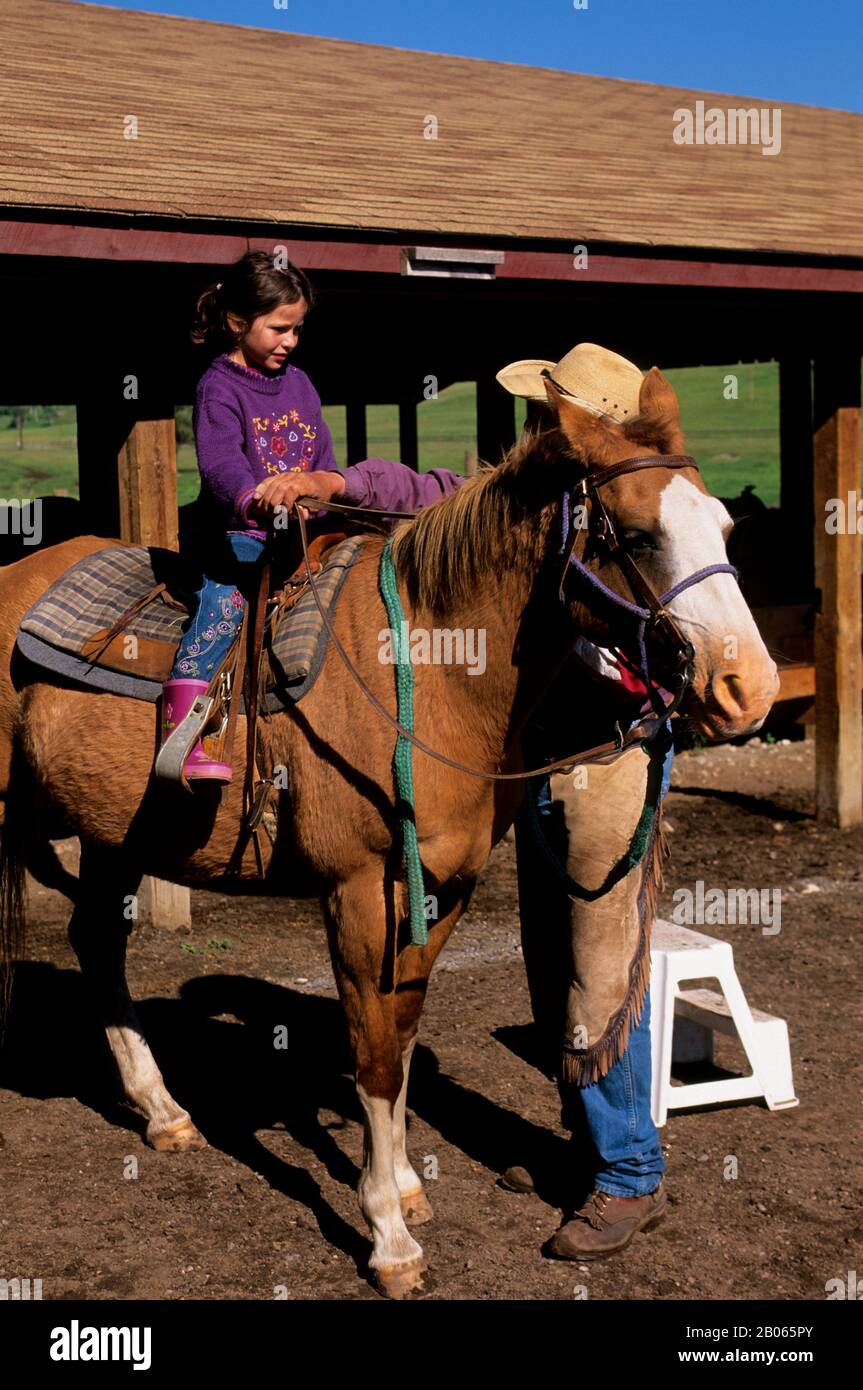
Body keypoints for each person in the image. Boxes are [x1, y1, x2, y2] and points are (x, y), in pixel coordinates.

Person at [156, 250, 462, 784]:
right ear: (236, 322)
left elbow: (321, 462)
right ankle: (182, 730)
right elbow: (222, 465)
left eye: (297, 330)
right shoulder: (218, 387)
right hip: (239, 535)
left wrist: (325, 502)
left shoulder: (301, 384)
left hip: (304, 531)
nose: (290, 341)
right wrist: (253, 498)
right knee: (224, 604)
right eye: (279, 329)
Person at [496, 345, 673, 1260]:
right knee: (547, 955)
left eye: (550, 410)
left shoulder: (631, 507)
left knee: (603, 966)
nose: (536, 423)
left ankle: (628, 1174)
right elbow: (438, 484)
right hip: (546, 759)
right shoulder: (553, 501)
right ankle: (582, 1142)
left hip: (610, 754)